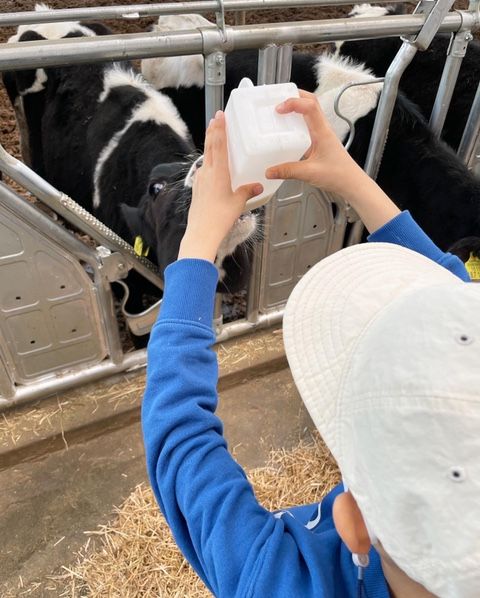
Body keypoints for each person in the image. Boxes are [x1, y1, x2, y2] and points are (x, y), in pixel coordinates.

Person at [142, 91, 479, 598]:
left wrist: (195, 246)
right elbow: (461, 304)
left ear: (354, 523)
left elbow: (179, 440)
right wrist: (351, 179)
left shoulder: (279, 577)